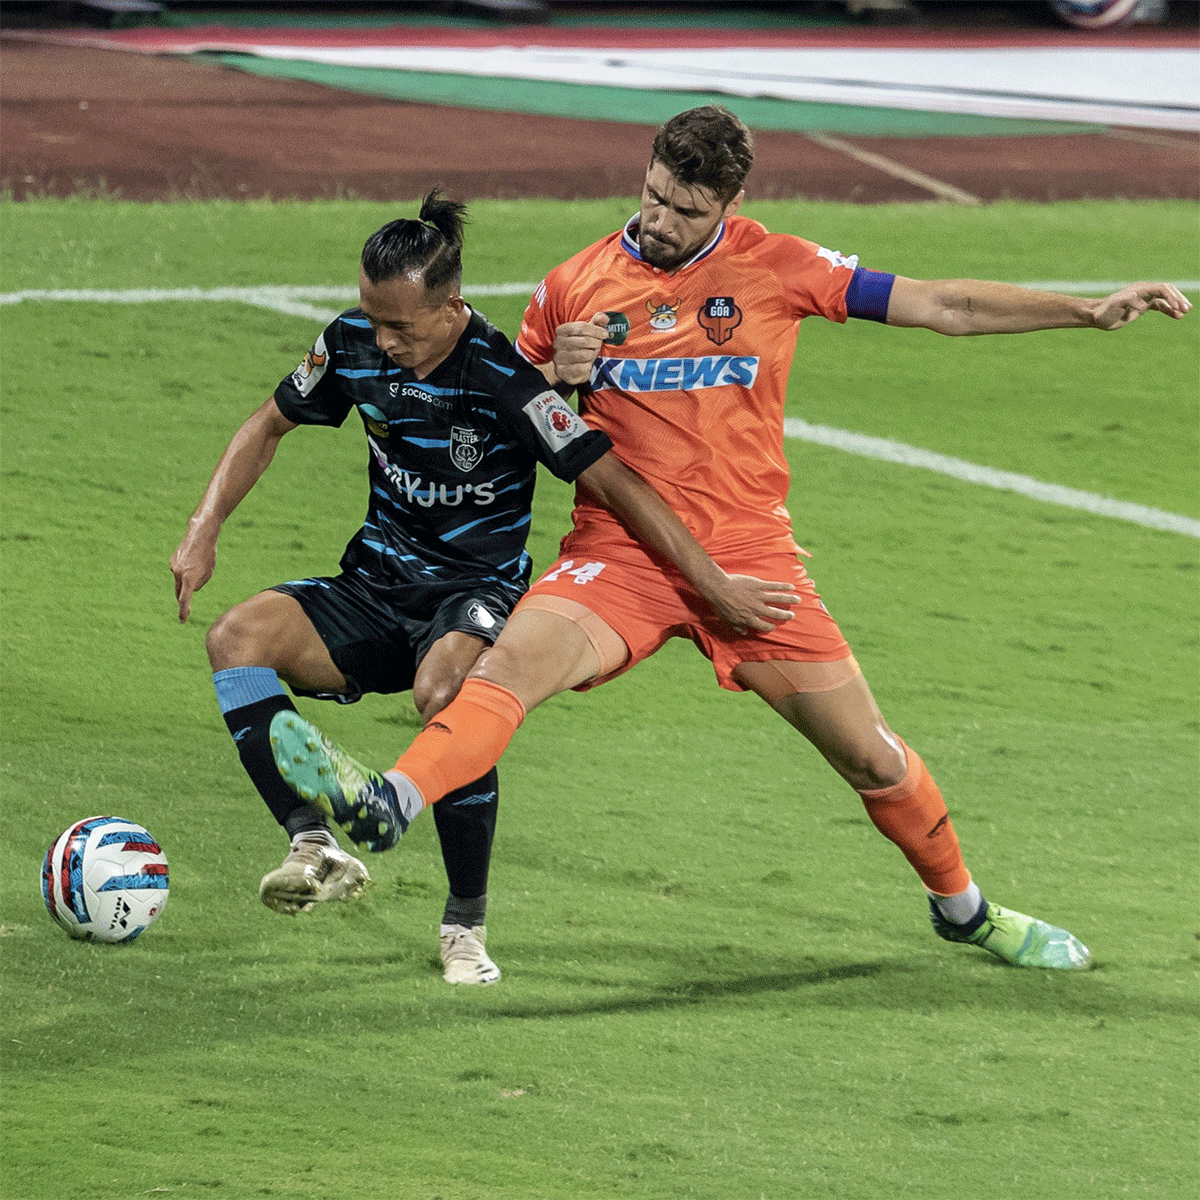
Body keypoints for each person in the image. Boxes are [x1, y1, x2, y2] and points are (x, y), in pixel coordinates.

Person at [268, 107, 1191, 972]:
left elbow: (942, 305)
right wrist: (556, 368)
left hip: (753, 565)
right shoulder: (571, 284)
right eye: (654, 195)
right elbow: (511, 418)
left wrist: (1085, 309)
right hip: (622, 552)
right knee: (503, 674)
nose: (660, 219)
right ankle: (389, 801)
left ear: (731, 205)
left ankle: (966, 911)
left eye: (686, 208)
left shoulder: (781, 266)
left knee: (871, 756)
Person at [171, 185, 789, 985]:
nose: (380, 337)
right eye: (370, 314)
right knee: (236, 640)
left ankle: (464, 925)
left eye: (399, 323)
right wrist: (203, 527)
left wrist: (710, 583)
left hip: (473, 592)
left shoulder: (502, 377)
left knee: (445, 691)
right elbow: (269, 423)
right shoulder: (352, 344)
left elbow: (615, 481)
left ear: (450, 303)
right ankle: (314, 845)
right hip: (376, 586)